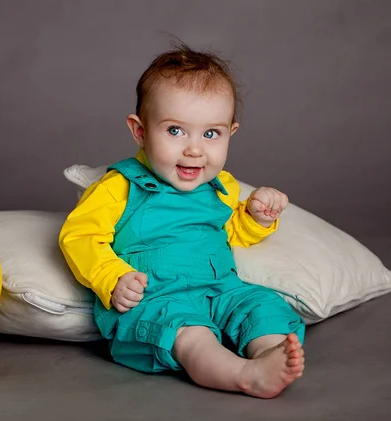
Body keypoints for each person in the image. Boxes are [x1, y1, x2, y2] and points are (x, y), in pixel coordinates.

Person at [59, 42, 305, 399]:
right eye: (175, 130)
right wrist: (111, 277)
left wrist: (256, 217)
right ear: (140, 131)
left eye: (211, 134)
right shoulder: (120, 186)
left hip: (220, 288)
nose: (194, 149)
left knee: (260, 304)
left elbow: (230, 232)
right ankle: (245, 375)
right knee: (189, 333)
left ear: (230, 133)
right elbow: (79, 235)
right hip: (157, 297)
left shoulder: (222, 186)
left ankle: (269, 354)